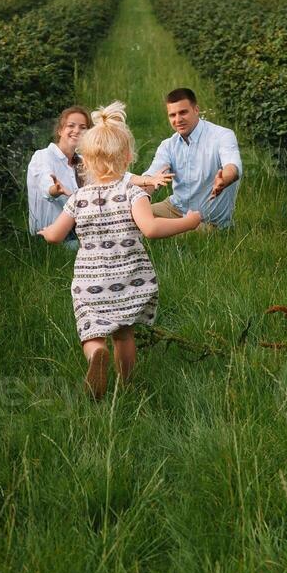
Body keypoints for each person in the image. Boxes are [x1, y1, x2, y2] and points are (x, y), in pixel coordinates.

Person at [39, 102, 202, 399]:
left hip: (90, 283)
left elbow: (56, 235)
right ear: (128, 158)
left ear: (84, 162)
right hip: (128, 280)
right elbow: (151, 229)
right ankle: (125, 385)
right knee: (124, 333)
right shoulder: (133, 192)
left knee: (91, 331)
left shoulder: (79, 198)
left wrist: (46, 232)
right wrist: (187, 223)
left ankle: (95, 355)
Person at [132, 87, 242, 229]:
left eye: (183, 112)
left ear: (196, 110)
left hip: (207, 221)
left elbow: (232, 167)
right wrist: (134, 195)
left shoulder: (222, 136)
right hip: (175, 209)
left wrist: (224, 180)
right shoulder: (168, 145)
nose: (178, 120)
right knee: (132, 217)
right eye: (172, 115)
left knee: (174, 233)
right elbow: (152, 175)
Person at [26, 105, 89, 247]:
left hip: (80, 230)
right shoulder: (42, 156)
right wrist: (54, 190)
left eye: (83, 127)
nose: (77, 131)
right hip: (50, 235)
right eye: (71, 126)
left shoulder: (84, 162)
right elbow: (45, 183)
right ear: (60, 130)